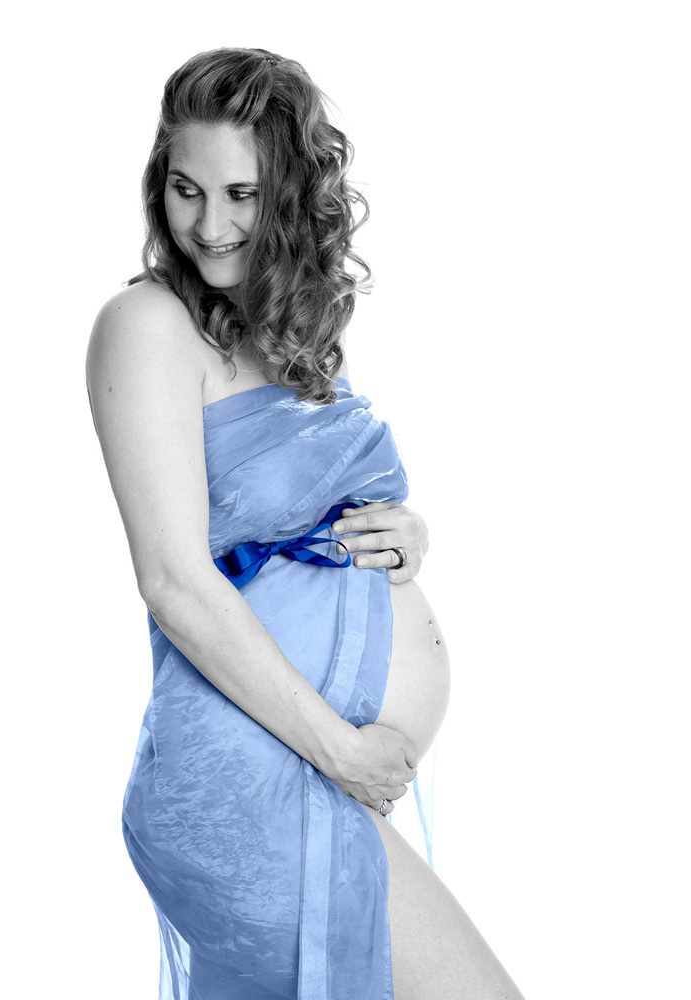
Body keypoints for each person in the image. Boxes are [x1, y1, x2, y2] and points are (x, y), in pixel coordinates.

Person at [85, 47, 524, 1000]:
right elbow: (175, 580)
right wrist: (341, 749)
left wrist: (401, 535)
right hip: (260, 774)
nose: (210, 226)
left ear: (288, 193)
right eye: (186, 189)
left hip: (307, 767)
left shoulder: (290, 328)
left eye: (241, 194)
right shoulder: (147, 326)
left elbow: (297, 511)